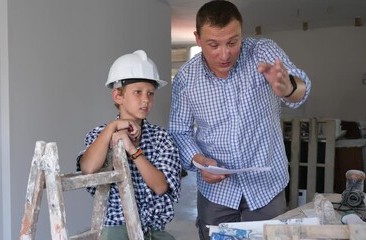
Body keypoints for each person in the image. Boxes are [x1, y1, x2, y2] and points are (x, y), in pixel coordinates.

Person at [168, 1, 311, 239]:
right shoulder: (185, 78)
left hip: (267, 186)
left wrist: (288, 87)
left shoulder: (263, 51)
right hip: (216, 193)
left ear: (241, 34)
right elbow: (179, 131)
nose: (224, 54)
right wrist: (199, 160)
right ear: (198, 38)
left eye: (233, 42)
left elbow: (301, 89)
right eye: (213, 44)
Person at [76, 50, 181, 240]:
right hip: (117, 229)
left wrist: (133, 150)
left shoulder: (161, 138)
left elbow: (160, 187)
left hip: (154, 231)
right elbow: (89, 168)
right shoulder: (100, 135)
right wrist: (112, 127)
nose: (145, 100)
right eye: (137, 92)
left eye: (150, 93)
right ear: (118, 96)